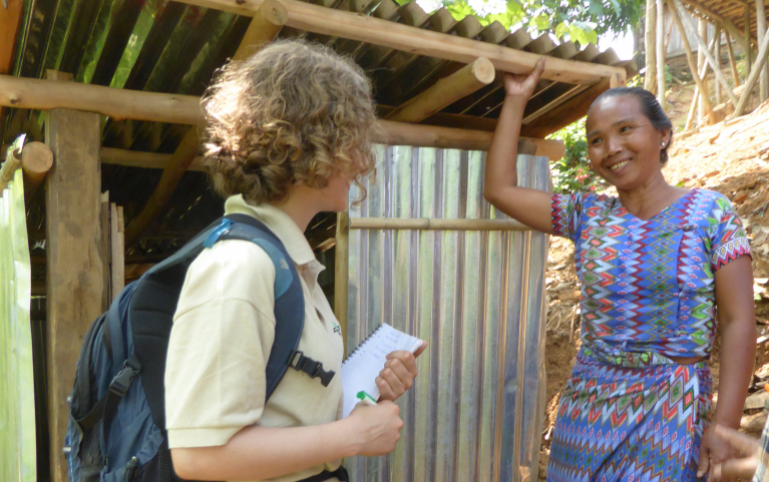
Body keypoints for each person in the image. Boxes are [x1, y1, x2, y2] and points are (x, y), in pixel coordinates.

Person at [163, 40, 426, 482]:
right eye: (351, 138)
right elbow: (199, 456)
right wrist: (353, 438)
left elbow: (285, 412)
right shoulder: (241, 267)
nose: (363, 161)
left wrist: (366, 394)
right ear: (306, 143)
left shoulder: (288, 263)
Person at [484, 59, 756, 481]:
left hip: (671, 412)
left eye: (625, 129)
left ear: (663, 134)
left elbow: (739, 323)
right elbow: (499, 189)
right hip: (587, 411)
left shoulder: (710, 213)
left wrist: (723, 426)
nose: (610, 147)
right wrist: (516, 98)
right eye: (596, 139)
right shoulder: (587, 214)